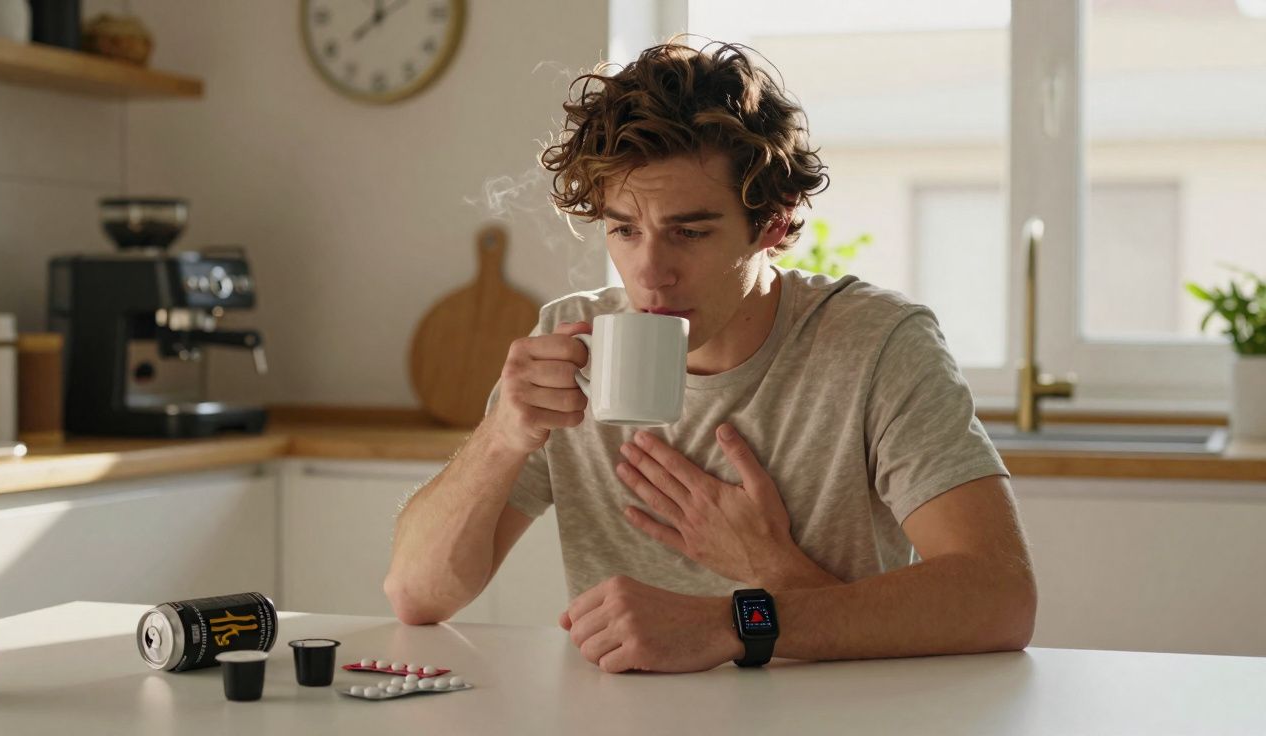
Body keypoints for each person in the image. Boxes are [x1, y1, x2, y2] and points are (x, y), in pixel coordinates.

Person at [385, 40, 1036, 674]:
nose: (650, 273)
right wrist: (501, 437)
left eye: (690, 232)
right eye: (624, 230)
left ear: (773, 222)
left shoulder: (877, 344)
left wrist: (738, 617)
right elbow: (416, 596)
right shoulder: (570, 341)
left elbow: (1000, 598)